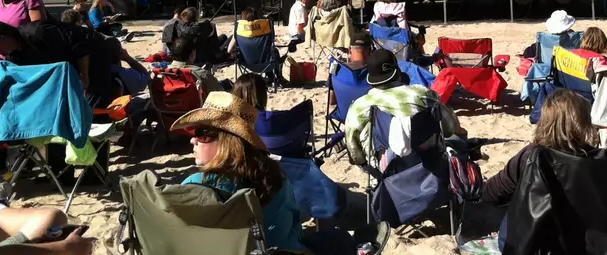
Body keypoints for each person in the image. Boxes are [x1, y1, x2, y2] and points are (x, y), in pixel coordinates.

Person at [172, 92, 369, 255]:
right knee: (339, 239)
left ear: (226, 143)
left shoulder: (192, 187)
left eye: (201, 133)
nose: (193, 140)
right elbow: (294, 226)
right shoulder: (275, 178)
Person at [481, 90, 599, 250]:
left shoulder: (530, 156)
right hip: (582, 242)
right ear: (584, 123)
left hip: (533, 242)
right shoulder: (596, 159)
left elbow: (492, 193)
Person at [345, 49, 465, 166]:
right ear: (397, 73)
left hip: (386, 175)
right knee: (459, 136)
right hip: (430, 168)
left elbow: (355, 153)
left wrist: (363, 162)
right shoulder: (424, 94)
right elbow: (450, 128)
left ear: (370, 79)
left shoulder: (360, 106)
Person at [0, 20, 115, 107]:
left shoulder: (38, 33)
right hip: (68, 61)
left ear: (3, 39)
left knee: (92, 100)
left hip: (91, 50)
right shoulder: (14, 56)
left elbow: (80, 47)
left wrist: (84, 76)